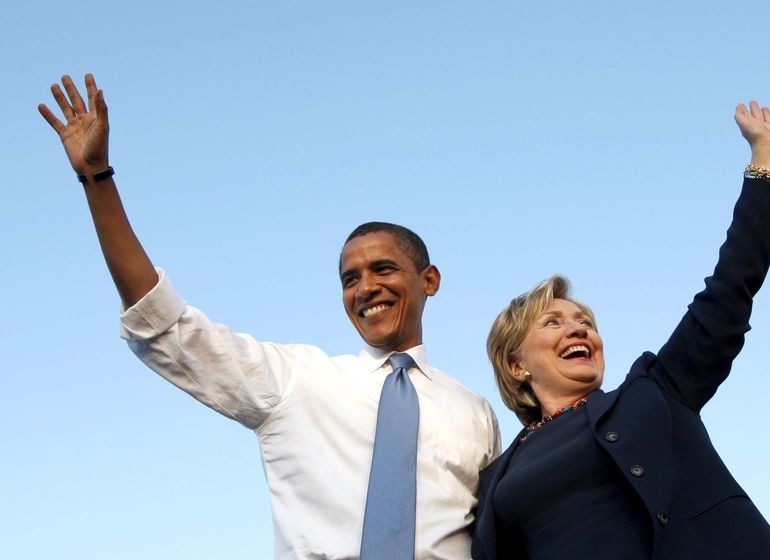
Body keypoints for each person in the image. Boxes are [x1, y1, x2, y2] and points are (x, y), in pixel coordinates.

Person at [38, 73, 500, 560]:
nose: (365, 288)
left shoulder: (476, 414)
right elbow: (164, 326)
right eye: (349, 278)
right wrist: (97, 180)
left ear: (429, 280)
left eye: (383, 269)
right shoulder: (296, 380)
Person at [472, 101, 770, 559]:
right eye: (553, 322)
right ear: (515, 364)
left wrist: (766, 165)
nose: (579, 331)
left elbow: (726, 295)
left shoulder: (655, 393)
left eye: (586, 322)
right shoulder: (495, 476)